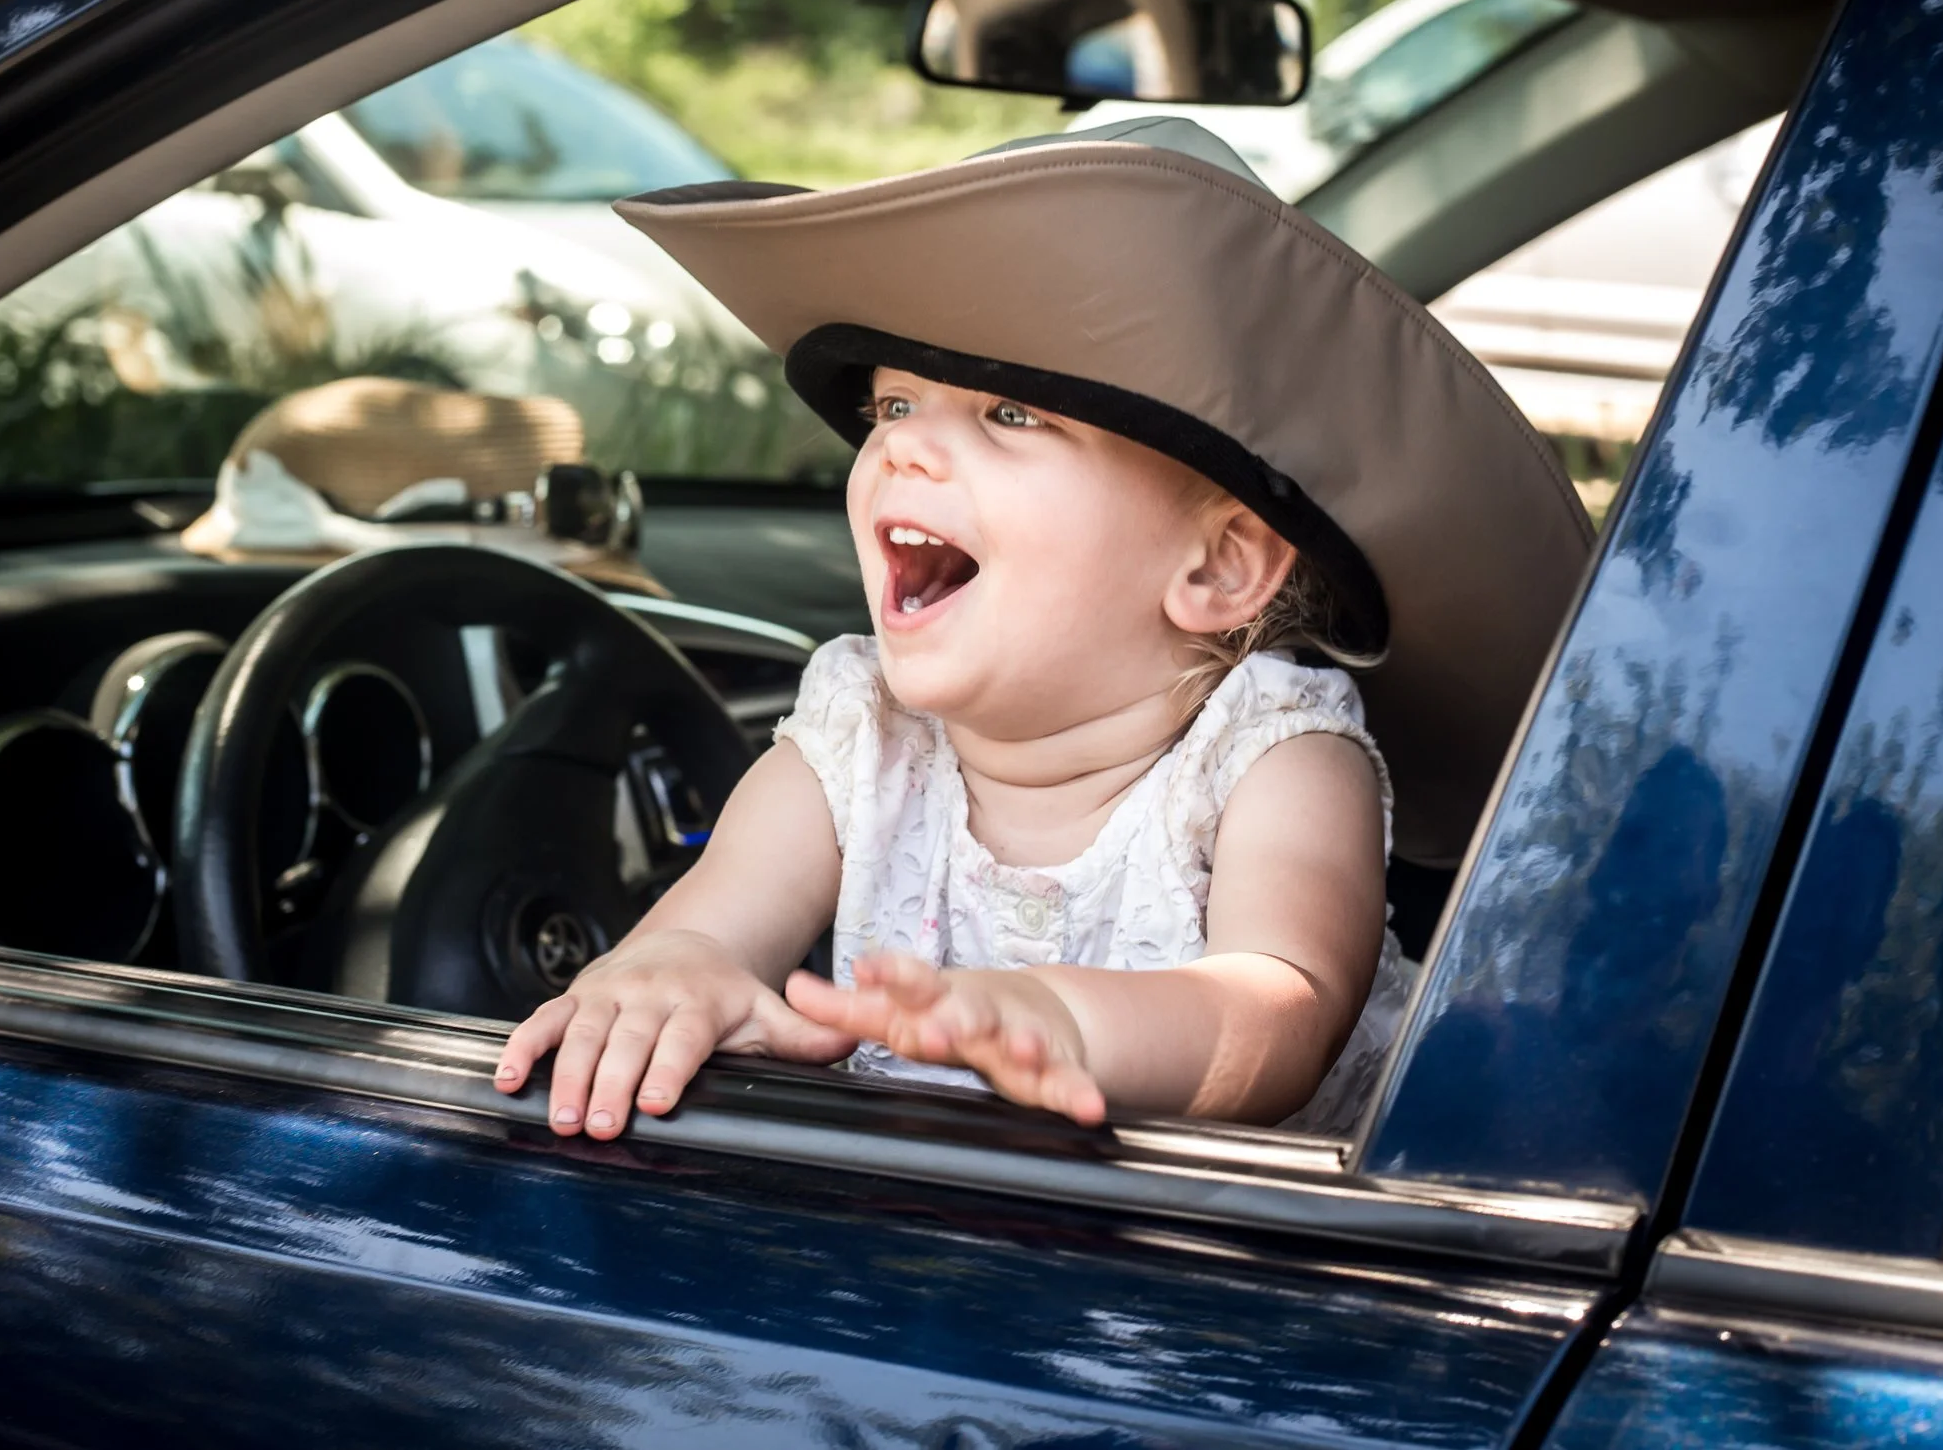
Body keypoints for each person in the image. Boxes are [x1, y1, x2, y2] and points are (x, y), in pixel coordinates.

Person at [492, 119, 1591, 1137]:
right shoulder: (858, 732)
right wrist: (669, 973)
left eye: (1010, 415)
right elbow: (709, 923)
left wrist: (1064, 1022)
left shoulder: (1274, 753)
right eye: (893, 405)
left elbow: (1277, 1014)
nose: (902, 451)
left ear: (1218, 564)